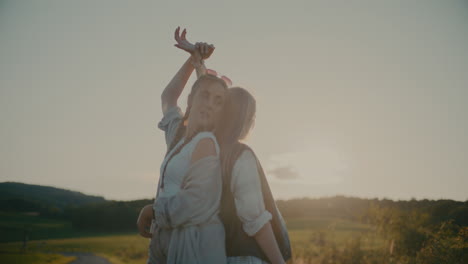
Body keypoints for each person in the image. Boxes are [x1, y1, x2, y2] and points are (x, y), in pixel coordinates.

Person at [136, 27, 228, 264]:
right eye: (204, 96)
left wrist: (200, 65)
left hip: (190, 242)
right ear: (192, 98)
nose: (209, 104)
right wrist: (192, 60)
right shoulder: (177, 135)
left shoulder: (211, 141)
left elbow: (195, 200)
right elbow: (168, 97)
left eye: (219, 101)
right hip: (160, 237)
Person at [218, 87, 292, 264]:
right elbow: (256, 221)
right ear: (245, 118)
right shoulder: (240, 155)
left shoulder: (207, 153)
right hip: (246, 257)